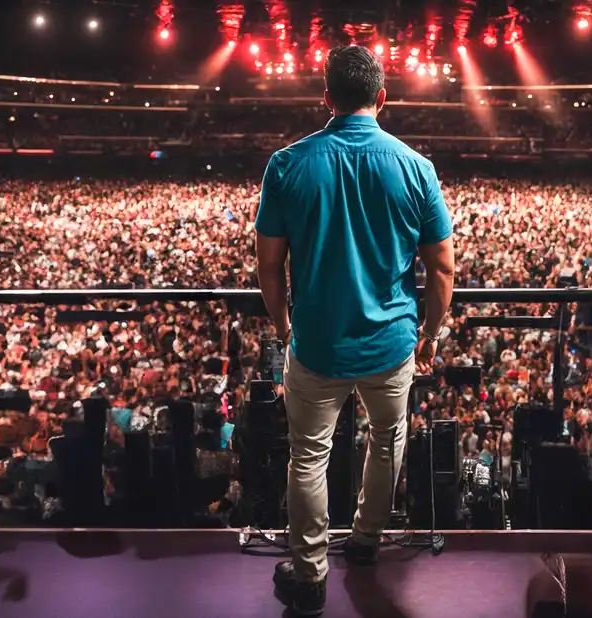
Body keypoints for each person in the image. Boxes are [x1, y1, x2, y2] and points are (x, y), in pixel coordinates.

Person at [254, 45, 455, 616]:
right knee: (388, 441)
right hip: (392, 345)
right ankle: (366, 542)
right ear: (382, 98)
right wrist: (430, 335)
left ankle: (310, 574)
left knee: (308, 457)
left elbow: (269, 264)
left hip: (315, 344)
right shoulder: (416, 167)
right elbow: (442, 268)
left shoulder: (288, 164)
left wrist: (282, 327)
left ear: (326, 98)